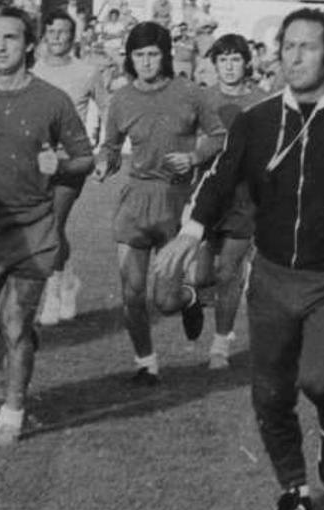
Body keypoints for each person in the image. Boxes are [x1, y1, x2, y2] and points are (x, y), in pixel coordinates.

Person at [155, 8, 324, 510]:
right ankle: (294, 490)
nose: (293, 57)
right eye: (287, 46)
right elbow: (219, 180)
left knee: (319, 381)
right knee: (270, 393)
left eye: (307, 47)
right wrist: (190, 232)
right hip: (272, 275)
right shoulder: (257, 120)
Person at [0, 6, 93, 446]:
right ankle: (23, 337)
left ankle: (13, 408)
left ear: (29, 44)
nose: (0, 46)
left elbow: (86, 157)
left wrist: (61, 162)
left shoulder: (52, 99)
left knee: (14, 323)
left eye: (10, 38)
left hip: (34, 231)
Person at [98, 21, 225, 386]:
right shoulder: (121, 99)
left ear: (166, 56)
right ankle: (147, 363)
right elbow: (109, 145)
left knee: (164, 300)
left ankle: (188, 299)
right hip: (136, 199)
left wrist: (195, 156)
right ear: (130, 58)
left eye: (153, 54)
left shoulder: (190, 93)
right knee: (131, 291)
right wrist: (106, 162)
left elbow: (219, 135)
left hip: (177, 199)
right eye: (139, 55)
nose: (147, 62)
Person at [31, 11, 108, 326]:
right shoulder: (34, 71)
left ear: (72, 36)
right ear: (46, 35)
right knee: (48, 227)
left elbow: (107, 108)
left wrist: (105, 150)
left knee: (52, 224)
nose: (57, 37)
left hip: (72, 159)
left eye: (63, 32)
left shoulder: (87, 71)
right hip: (38, 161)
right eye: (52, 32)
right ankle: (69, 280)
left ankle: (51, 297)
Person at [197, 33, 269, 370]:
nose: (229, 66)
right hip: (206, 193)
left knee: (228, 271)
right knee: (199, 276)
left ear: (246, 62)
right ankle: (193, 299)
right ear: (214, 65)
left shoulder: (263, 101)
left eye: (235, 59)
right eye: (222, 60)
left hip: (244, 198)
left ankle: (220, 346)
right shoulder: (202, 98)